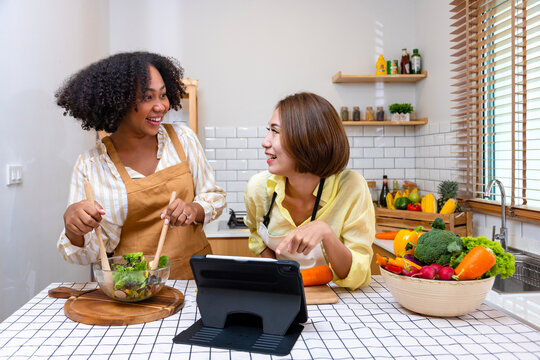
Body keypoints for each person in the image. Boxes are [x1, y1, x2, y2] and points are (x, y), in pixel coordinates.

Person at [56, 51, 226, 279]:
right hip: (134, 287)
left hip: (194, 279)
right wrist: (74, 229)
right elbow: (86, 254)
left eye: (163, 95)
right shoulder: (92, 165)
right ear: (118, 102)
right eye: (148, 97)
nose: (161, 106)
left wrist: (192, 210)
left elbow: (213, 196)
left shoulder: (183, 139)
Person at [244, 92, 374, 290]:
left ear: (307, 139)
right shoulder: (259, 188)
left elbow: (359, 274)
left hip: (340, 299)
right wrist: (279, 277)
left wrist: (326, 233)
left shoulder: (351, 187)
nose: (265, 141)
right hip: (283, 294)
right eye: (268, 130)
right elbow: (256, 237)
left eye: (275, 132)